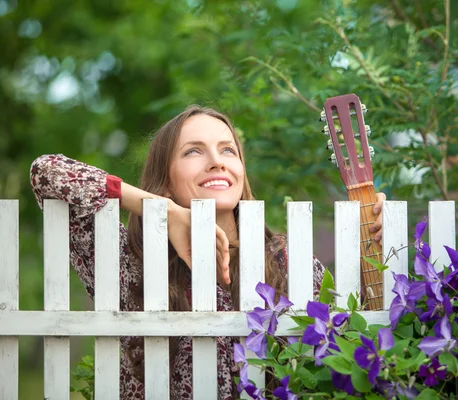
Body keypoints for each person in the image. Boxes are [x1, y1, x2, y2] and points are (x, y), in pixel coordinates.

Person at [30, 105, 386, 399]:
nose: (217, 161)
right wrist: (164, 211)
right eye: (193, 150)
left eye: (228, 149)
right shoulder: (129, 261)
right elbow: (46, 173)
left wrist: (378, 248)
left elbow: (350, 350)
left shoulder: (289, 260)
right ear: (166, 177)